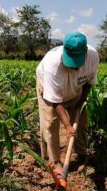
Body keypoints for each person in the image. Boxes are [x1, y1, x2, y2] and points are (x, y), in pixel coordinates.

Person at [36, 32, 99, 176]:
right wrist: (68, 126)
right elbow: (55, 102)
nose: (74, 66)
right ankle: (55, 161)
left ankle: (82, 154)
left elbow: (89, 83)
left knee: (82, 119)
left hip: (76, 88)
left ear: (85, 53)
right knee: (51, 122)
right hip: (50, 90)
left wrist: (80, 103)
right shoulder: (53, 65)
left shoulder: (93, 56)